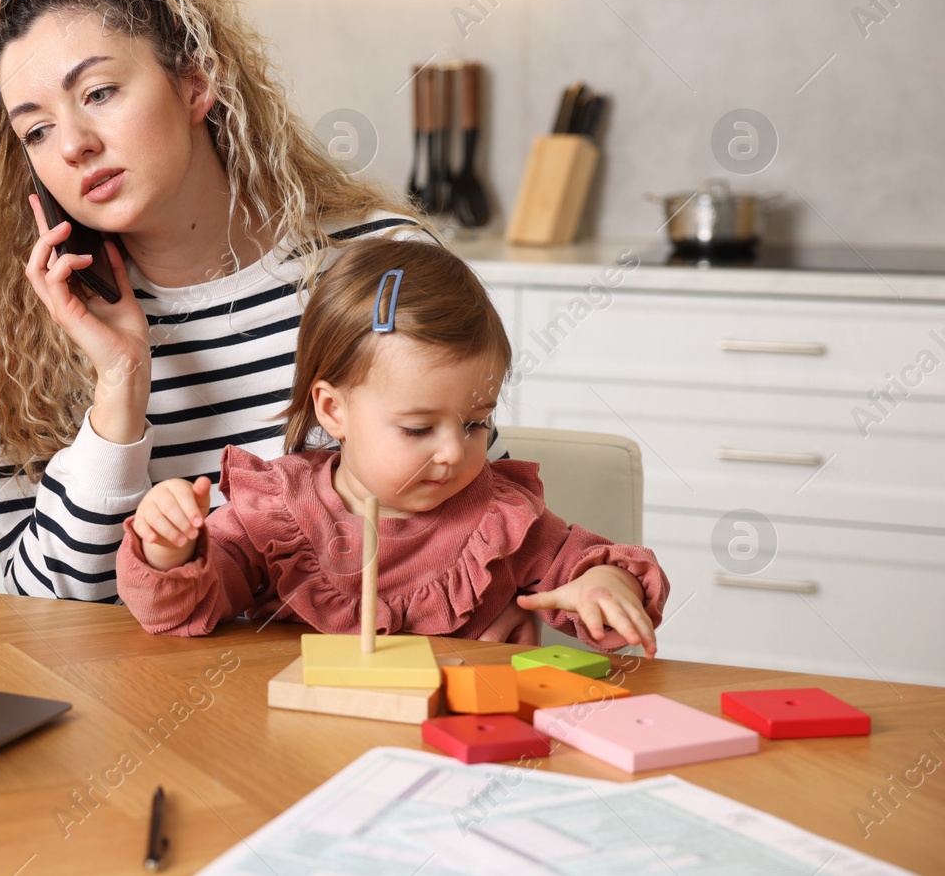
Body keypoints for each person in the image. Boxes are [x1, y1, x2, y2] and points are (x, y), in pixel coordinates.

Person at [0, 0, 528, 638]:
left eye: (99, 93)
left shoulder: (377, 266)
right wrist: (121, 384)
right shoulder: (41, 322)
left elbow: (478, 528)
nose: (72, 144)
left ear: (197, 84)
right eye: (36, 130)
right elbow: (46, 606)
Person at [117, 239, 668, 653]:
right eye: (418, 429)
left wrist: (605, 583)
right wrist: (169, 550)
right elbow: (183, 611)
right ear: (334, 411)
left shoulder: (497, 516)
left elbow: (582, 564)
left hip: (455, 748)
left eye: (476, 423)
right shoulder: (276, 515)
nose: (454, 452)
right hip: (299, 752)